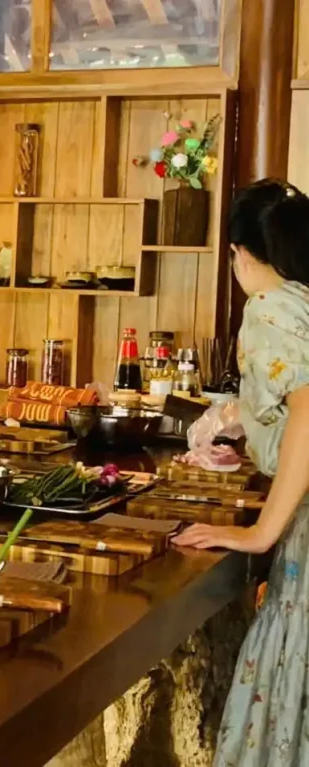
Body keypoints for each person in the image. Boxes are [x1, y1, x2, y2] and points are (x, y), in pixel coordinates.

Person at [172, 179, 309, 766]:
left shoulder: (268, 308)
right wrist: (238, 415)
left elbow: (308, 410)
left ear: (241, 253)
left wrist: (260, 532)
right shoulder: (303, 299)